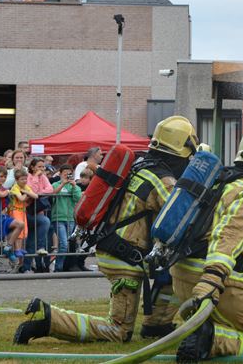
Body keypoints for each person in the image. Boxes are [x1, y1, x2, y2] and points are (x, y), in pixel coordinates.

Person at [14, 115, 199, 345]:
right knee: (118, 331)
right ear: (182, 150)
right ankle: (48, 319)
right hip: (125, 257)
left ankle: (157, 325)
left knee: (171, 272)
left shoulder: (139, 165)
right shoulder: (163, 180)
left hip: (114, 247)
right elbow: (180, 219)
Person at [171, 125, 243, 361]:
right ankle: (211, 338)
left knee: (231, 327)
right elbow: (229, 234)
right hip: (221, 281)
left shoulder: (224, 181)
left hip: (183, 275)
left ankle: (201, 333)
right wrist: (211, 280)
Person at [23, 158, 53, 273]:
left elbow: (50, 189)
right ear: (32, 167)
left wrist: (39, 194)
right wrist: (35, 178)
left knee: (31, 241)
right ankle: (41, 247)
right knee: (45, 221)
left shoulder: (44, 177)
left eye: (43, 167)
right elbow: (31, 189)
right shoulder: (28, 177)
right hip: (27, 211)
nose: (41, 169)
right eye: (39, 167)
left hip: (38, 211)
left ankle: (26, 267)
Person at [51, 165, 81, 272]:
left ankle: (63, 267)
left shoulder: (74, 186)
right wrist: (63, 183)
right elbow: (52, 194)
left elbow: (78, 198)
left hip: (70, 218)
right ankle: (58, 268)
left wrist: (74, 186)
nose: (67, 176)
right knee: (63, 244)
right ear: (60, 173)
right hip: (58, 218)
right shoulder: (55, 184)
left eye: (69, 174)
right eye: (65, 174)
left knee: (67, 244)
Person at [9, 168, 37, 265]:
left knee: (24, 231)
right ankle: (17, 249)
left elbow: (35, 196)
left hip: (22, 211)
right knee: (18, 231)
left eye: (25, 179)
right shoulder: (15, 187)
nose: (24, 181)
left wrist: (26, 192)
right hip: (15, 210)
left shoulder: (25, 187)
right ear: (17, 180)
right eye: (22, 179)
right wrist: (26, 194)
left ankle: (19, 249)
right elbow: (21, 199)